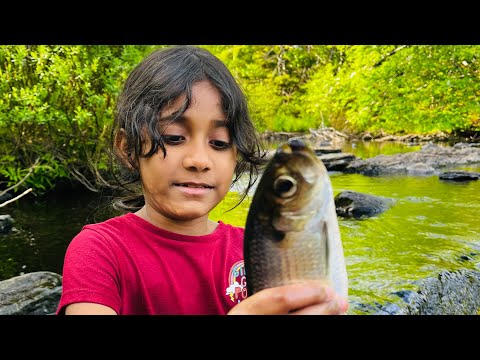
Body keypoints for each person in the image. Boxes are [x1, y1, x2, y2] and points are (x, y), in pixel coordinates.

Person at [56, 45, 349, 315]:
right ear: (128, 149)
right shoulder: (99, 250)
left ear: (236, 155)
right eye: (173, 137)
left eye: (219, 143)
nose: (198, 160)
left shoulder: (253, 250)